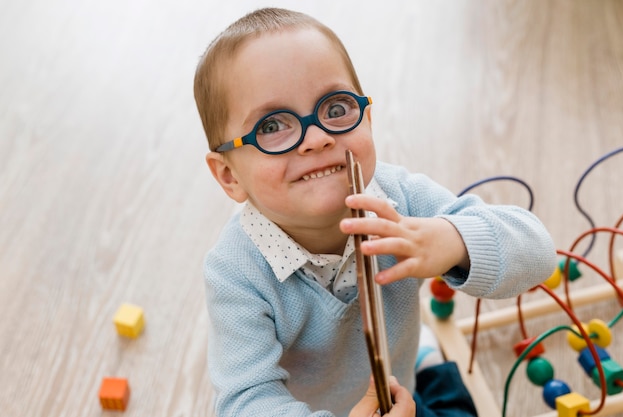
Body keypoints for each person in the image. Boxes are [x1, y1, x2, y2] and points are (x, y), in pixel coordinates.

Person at [193, 7, 556, 417]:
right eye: (272, 126)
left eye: (334, 109)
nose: (316, 138)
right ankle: (425, 355)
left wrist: (453, 240)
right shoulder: (235, 273)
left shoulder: (400, 199)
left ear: (367, 117)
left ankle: (424, 358)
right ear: (228, 176)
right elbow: (243, 403)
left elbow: (539, 251)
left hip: (403, 392)